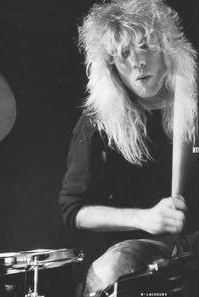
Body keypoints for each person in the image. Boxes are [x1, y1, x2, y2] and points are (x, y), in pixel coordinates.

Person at [59, 0, 199, 296]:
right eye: (123, 54)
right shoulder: (97, 122)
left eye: (146, 46)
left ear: (168, 49)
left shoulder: (193, 103)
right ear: (111, 67)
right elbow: (74, 210)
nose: (137, 62)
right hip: (147, 247)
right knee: (109, 270)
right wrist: (144, 218)